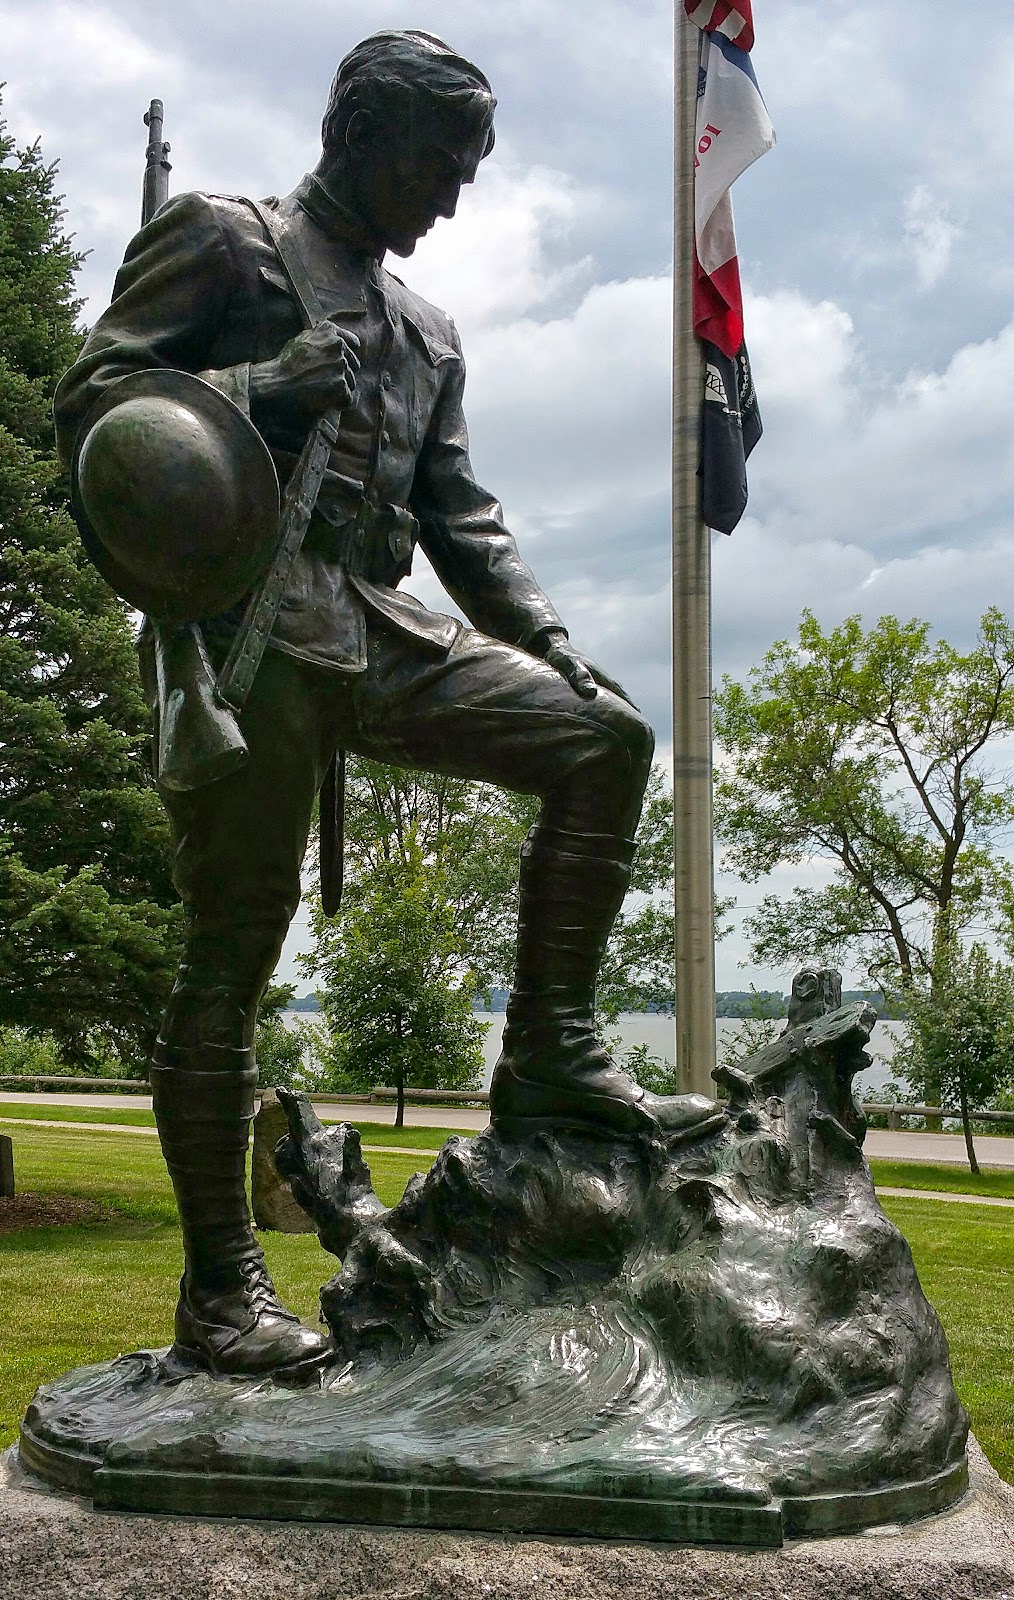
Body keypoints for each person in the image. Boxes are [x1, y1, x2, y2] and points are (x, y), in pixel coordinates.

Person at [55, 31, 721, 1380]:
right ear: (361, 131)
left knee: (604, 740)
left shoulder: (426, 329)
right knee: (230, 959)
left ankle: (545, 1048)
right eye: (443, 163)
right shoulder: (227, 245)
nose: (456, 198)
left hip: (381, 623)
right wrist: (255, 389)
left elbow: (458, 516)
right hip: (252, 628)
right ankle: (219, 1295)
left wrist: (545, 638)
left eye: (474, 172)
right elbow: (92, 403)